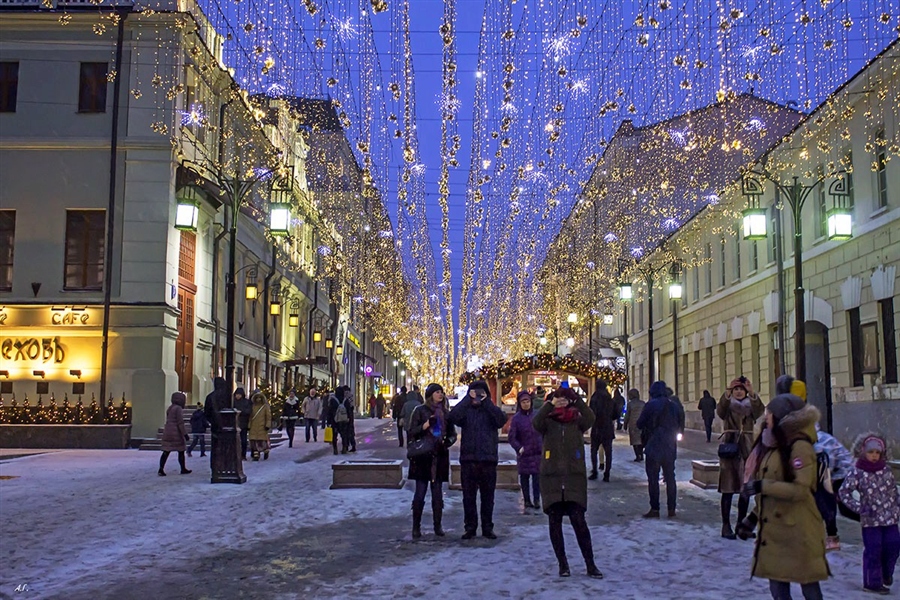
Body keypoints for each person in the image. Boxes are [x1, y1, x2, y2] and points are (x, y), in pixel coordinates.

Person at [738, 393, 828, 600]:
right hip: (776, 533)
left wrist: (763, 485)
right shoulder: (772, 446)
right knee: (778, 588)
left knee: (808, 586)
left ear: (782, 418)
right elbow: (771, 494)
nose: (765, 418)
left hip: (799, 529)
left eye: (769, 414)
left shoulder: (800, 447)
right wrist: (751, 519)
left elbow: (801, 489)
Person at [532, 385, 603, 579]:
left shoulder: (577, 421)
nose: (562, 403)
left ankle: (590, 564)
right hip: (552, 478)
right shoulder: (547, 421)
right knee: (554, 522)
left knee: (579, 521)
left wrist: (577, 400)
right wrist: (549, 404)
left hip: (574, 477)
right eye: (559, 399)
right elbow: (535, 422)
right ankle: (563, 565)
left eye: (565, 399)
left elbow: (591, 418)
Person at [838, 433, 899, 595]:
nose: (874, 456)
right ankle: (872, 583)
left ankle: (886, 574)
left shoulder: (885, 470)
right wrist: (860, 508)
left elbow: (893, 492)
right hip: (871, 520)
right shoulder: (857, 471)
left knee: (893, 545)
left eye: (877, 453)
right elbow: (844, 492)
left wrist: (897, 507)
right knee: (874, 550)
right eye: (870, 452)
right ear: (863, 451)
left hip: (890, 517)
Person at [448, 380, 507, 540]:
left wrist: (486, 402)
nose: (477, 397)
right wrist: (467, 399)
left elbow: (501, 420)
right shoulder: (466, 410)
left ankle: (488, 527)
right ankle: (470, 527)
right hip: (469, 459)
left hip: (488, 459)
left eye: (481, 393)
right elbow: (453, 416)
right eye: (475, 393)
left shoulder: (491, 410)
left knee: (488, 498)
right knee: (469, 497)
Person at [407, 383, 457, 539]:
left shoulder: (446, 413)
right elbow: (411, 432)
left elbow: (452, 434)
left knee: (437, 495)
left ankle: (437, 525)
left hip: (439, 456)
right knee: (420, 494)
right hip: (422, 457)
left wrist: (447, 442)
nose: (440, 394)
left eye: (441, 392)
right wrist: (426, 425)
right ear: (430, 395)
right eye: (437, 392)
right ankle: (416, 527)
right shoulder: (420, 411)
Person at [717, 376, 764, 539]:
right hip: (730, 450)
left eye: (741, 389)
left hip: (747, 450)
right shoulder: (728, 405)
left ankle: (740, 525)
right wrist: (727, 393)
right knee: (728, 489)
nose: (738, 392)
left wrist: (752, 393)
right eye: (736, 389)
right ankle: (725, 526)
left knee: (745, 490)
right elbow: (720, 411)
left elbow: (760, 411)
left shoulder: (751, 406)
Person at [636, 381, 684, 518]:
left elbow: (639, 424)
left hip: (653, 445)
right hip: (670, 445)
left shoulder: (650, 405)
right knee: (670, 477)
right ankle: (671, 509)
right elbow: (680, 423)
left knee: (653, 478)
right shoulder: (674, 406)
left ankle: (655, 509)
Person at [814, 423, 857, 551]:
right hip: (837, 473)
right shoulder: (813, 439)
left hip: (842, 473)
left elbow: (828, 462)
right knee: (833, 506)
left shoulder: (820, 439)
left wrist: (828, 482)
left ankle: (833, 538)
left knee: (834, 506)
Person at [508, 391, 542, 510]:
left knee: (537, 478)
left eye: (527, 401)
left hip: (537, 452)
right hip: (525, 454)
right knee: (525, 478)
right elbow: (512, 437)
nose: (526, 404)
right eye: (523, 402)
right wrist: (519, 448)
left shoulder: (537, 415)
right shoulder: (517, 419)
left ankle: (537, 499)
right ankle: (527, 500)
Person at [588, 380, 617, 482]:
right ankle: (607, 473)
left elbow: (590, 412)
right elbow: (616, 413)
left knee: (594, 450)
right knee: (608, 452)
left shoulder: (594, 398)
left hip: (597, 427)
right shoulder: (610, 399)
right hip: (607, 427)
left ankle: (595, 471)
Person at [159, 391, 191, 476]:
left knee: (166, 451)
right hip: (176, 433)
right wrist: (185, 434)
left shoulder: (170, 408)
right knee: (181, 451)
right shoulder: (178, 409)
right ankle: (183, 468)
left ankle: (161, 469)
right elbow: (180, 423)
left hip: (168, 431)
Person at [204, 377, 229, 465]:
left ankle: (215, 464)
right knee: (226, 446)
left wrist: (213, 421)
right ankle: (225, 463)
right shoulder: (228, 396)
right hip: (227, 425)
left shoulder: (210, 397)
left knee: (215, 446)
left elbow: (206, 413)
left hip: (215, 425)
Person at [327, 386, 352, 455]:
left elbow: (330, 411)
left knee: (334, 435)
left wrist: (329, 420)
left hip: (335, 420)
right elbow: (349, 410)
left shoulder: (333, 400)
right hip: (344, 420)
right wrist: (349, 419)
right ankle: (344, 448)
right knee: (344, 435)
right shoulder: (345, 400)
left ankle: (335, 449)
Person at [623, 389, 646, 462]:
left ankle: (637, 455)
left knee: (634, 441)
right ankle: (641, 454)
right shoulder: (643, 403)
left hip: (633, 424)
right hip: (642, 423)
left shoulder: (630, 404)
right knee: (641, 440)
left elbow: (627, 415)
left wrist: (625, 424)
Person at [248, 390, 272, 461]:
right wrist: (249, 426)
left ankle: (265, 451)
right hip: (253, 426)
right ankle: (256, 455)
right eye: (257, 397)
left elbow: (268, 417)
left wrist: (267, 425)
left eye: (259, 397)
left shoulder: (265, 407)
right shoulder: (252, 407)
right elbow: (250, 417)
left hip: (262, 427)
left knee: (262, 441)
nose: (258, 399)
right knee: (254, 442)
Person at [233, 387, 251, 460]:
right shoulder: (232, 402)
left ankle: (243, 454)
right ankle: (235, 455)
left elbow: (249, 411)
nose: (238, 396)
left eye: (239, 394)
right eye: (237, 394)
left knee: (243, 440)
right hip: (234, 424)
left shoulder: (246, 402)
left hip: (243, 423)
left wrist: (241, 411)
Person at [345, 387, 357, 452]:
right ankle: (353, 445)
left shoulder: (344, 397)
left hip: (345, 416)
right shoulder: (351, 396)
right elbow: (352, 406)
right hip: (350, 416)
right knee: (351, 431)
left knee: (346, 431)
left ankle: (346, 446)